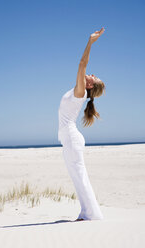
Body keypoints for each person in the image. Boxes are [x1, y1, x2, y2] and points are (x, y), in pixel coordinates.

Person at [58, 27, 106, 221]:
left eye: (93, 76)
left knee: (81, 178)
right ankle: (86, 213)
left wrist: (90, 42)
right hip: (69, 139)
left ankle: (93, 216)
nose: (90, 74)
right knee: (78, 179)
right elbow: (83, 67)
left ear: (90, 85)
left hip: (71, 138)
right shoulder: (80, 91)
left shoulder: (81, 92)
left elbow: (82, 64)